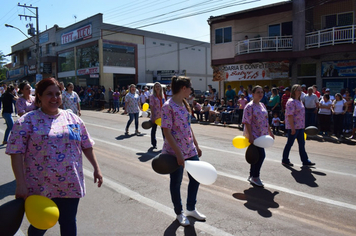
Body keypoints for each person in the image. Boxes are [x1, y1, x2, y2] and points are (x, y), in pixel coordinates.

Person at [5, 78, 103, 236]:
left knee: (69, 222)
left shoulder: (73, 119)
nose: (54, 98)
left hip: (70, 184)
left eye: (57, 94)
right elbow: (16, 152)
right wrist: (20, 184)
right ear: (39, 96)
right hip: (40, 185)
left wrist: (97, 169)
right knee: (40, 225)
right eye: (49, 94)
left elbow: (86, 145)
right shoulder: (26, 121)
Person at [161, 76, 205, 226]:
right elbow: (166, 131)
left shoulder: (185, 104)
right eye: (190, 87)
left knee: (196, 177)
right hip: (175, 151)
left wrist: (196, 145)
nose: (191, 90)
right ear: (183, 88)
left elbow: (188, 126)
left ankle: (191, 208)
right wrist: (179, 154)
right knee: (176, 182)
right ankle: (179, 212)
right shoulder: (168, 106)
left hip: (190, 149)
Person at [242, 85, 274, 187]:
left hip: (262, 135)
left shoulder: (262, 105)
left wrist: (270, 131)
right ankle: (255, 177)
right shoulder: (249, 106)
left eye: (262, 92)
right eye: (258, 92)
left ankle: (252, 175)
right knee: (261, 155)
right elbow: (247, 122)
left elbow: (266, 120)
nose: (261, 94)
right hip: (255, 135)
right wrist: (251, 136)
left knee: (255, 155)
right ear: (253, 94)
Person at [282, 84, 315, 167]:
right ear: (294, 91)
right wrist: (292, 128)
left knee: (302, 144)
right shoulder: (291, 101)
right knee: (290, 143)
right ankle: (285, 159)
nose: (300, 91)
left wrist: (303, 125)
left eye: (301, 90)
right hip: (293, 127)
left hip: (300, 126)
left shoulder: (299, 101)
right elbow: (289, 115)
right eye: (298, 90)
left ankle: (305, 160)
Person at [149, 82, 165, 149]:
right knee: (154, 130)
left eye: (159, 86)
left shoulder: (162, 95)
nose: (158, 88)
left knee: (164, 131)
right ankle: (154, 144)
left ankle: (166, 144)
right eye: (156, 87)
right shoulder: (152, 96)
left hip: (162, 116)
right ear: (154, 88)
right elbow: (151, 106)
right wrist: (152, 115)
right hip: (155, 115)